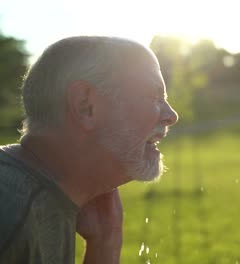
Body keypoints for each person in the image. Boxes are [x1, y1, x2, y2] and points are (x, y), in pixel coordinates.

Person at [0, 36, 178, 263]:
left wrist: (105, 243)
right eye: (155, 96)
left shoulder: (40, 198)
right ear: (86, 105)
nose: (172, 115)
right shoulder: (11, 218)